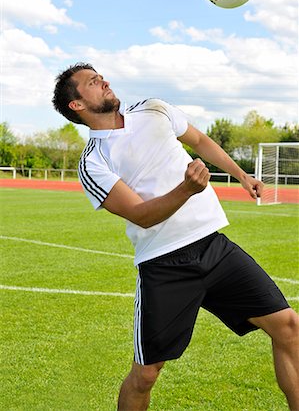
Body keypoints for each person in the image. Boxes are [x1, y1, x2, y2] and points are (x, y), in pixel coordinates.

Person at [52, 62, 299, 411]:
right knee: (146, 375)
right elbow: (140, 214)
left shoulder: (154, 109)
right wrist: (186, 189)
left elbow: (198, 140)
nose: (103, 81)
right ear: (77, 105)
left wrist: (242, 176)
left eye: (101, 76)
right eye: (92, 82)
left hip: (213, 247)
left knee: (289, 327)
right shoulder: (93, 163)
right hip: (164, 265)